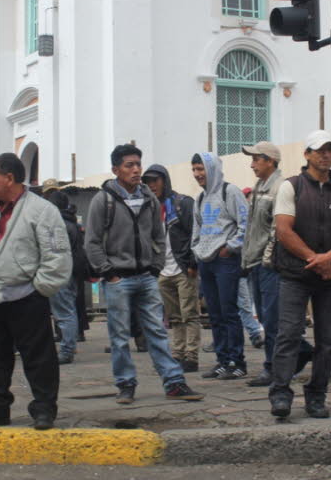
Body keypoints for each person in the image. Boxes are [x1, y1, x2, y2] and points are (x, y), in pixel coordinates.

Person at [85, 145, 204, 405]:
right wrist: (109, 273)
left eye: (138, 164)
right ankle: (125, 384)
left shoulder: (148, 197)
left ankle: (174, 382)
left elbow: (158, 237)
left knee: (158, 332)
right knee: (119, 336)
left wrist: (155, 267)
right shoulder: (102, 200)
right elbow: (92, 242)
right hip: (118, 279)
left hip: (147, 277)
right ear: (116, 170)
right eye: (129, 165)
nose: (136, 169)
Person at [0, 153, 72, 430]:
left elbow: (56, 255)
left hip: (26, 298)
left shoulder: (42, 211)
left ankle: (44, 408)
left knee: (39, 357)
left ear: (9, 178)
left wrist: (39, 290)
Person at [269, 130, 331, 419]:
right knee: (289, 335)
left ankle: (317, 395)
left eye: (330, 150)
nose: (325, 155)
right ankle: (281, 393)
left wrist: (329, 259)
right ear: (307, 154)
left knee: (328, 340)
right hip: (295, 274)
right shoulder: (291, 187)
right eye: (319, 150)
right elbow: (284, 230)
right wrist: (314, 259)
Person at [191, 152, 250, 380]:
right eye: (194, 170)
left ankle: (237, 362)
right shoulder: (200, 198)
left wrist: (230, 248)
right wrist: (197, 250)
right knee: (214, 314)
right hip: (207, 263)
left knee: (229, 312)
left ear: (212, 168)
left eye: (201, 169)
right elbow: (197, 228)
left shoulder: (231, 192)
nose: (197, 174)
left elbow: (245, 224)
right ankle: (222, 360)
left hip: (226, 261)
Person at [143, 164, 200, 373]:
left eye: (155, 180)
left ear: (164, 181)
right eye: (148, 182)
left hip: (183, 268)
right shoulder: (150, 208)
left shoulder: (182, 203)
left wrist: (192, 263)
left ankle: (191, 356)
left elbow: (195, 233)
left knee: (190, 315)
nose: (151, 185)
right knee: (174, 317)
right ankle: (177, 353)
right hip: (162, 270)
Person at [240, 141, 285, 387]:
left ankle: (274, 368)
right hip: (256, 261)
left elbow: (276, 230)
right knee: (267, 317)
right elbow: (252, 229)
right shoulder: (259, 187)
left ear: (270, 161)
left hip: (269, 264)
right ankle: (289, 357)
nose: (252, 164)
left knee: (272, 319)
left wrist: (267, 258)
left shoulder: (279, 187)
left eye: (257, 159)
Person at [43, 187, 89, 365]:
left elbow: (56, 250)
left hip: (61, 271)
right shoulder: (73, 223)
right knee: (67, 310)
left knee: (64, 312)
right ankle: (68, 345)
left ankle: (67, 349)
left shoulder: (58, 224)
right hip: (72, 271)